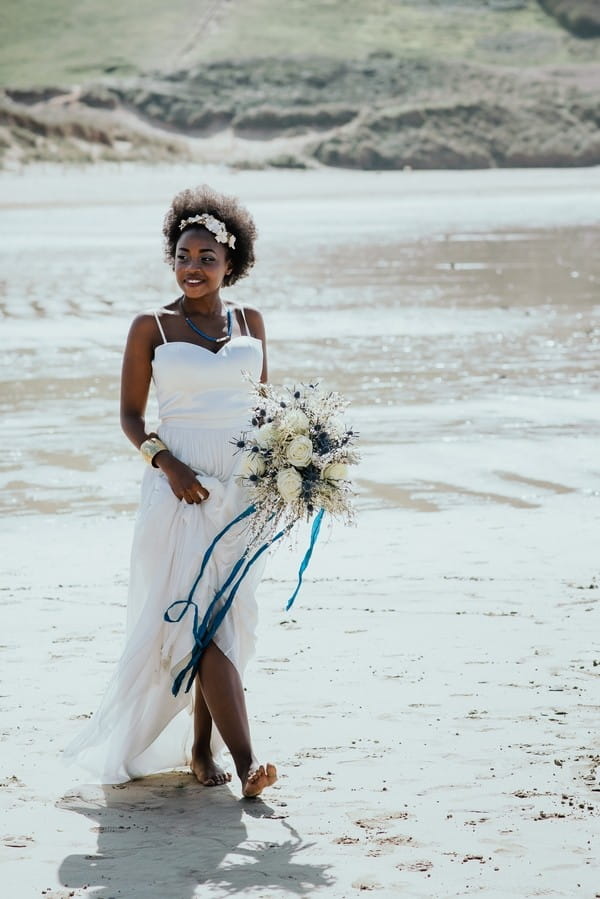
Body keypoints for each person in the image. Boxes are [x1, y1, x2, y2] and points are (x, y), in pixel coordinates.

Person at [65, 185, 277, 798]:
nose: (193, 267)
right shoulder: (150, 327)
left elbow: (264, 411)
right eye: (183, 255)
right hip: (179, 493)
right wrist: (169, 466)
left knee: (227, 620)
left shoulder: (252, 323)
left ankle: (202, 748)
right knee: (197, 623)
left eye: (207, 258)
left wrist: (291, 466)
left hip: (240, 493)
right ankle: (247, 765)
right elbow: (131, 417)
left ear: (231, 265)